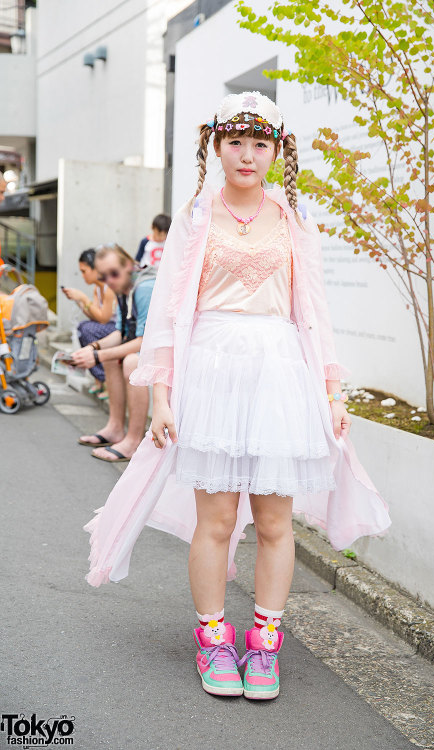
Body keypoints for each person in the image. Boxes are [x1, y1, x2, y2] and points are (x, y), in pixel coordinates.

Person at [83, 91, 391, 700]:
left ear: (277, 150)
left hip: (280, 377)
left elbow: (315, 314)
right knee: (217, 518)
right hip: (213, 377)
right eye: (235, 142)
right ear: (216, 145)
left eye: (260, 143)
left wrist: (333, 390)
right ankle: (213, 638)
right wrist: (163, 395)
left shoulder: (295, 220)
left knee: (277, 522)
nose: (247, 155)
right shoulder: (197, 219)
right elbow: (171, 315)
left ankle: (265, 644)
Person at [71, 244, 156, 462]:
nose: (109, 280)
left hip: (170, 347)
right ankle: (115, 428)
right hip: (148, 344)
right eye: (104, 276)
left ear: (129, 266)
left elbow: (143, 341)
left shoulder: (144, 287)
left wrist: (97, 356)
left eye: (113, 274)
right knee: (112, 356)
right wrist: (94, 348)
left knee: (130, 362)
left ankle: (134, 441)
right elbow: (120, 332)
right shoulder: (122, 285)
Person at [61, 248, 116, 397]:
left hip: (117, 330)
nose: (83, 275)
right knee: (84, 327)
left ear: (95, 269)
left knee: (86, 329)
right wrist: (79, 300)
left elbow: (104, 318)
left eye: (84, 271)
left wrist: (83, 298)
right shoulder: (97, 288)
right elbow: (95, 316)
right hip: (107, 328)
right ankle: (99, 379)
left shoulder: (109, 287)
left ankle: (104, 380)